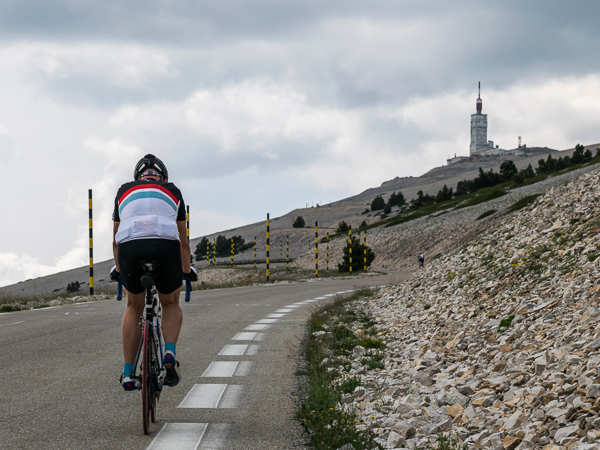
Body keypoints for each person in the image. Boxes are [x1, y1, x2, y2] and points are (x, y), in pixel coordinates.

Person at [110, 154, 197, 390]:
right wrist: (187, 271)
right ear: (163, 177)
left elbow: (116, 243)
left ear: (138, 178)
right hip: (165, 245)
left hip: (130, 247)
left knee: (133, 306)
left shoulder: (123, 191)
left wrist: (119, 271)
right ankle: (169, 352)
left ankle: (128, 373)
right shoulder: (172, 190)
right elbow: (183, 242)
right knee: (169, 303)